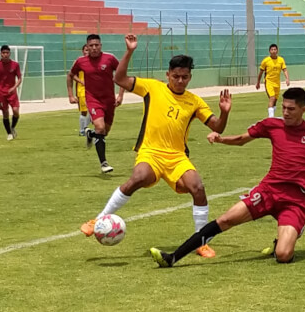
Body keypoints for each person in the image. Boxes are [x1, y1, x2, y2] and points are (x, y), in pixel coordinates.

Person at [149, 87, 305, 267]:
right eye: (283, 107)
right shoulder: (272, 125)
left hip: (295, 200)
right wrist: (221, 139)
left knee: (283, 255)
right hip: (269, 191)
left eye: (291, 109)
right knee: (225, 220)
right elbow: (242, 139)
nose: (286, 112)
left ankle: (286, 238)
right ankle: (172, 257)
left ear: (303, 109)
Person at [80, 34, 232, 259]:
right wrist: (130, 51)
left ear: (190, 77)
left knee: (198, 188)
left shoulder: (194, 101)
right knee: (138, 178)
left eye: (185, 77)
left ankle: (201, 241)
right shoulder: (152, 87)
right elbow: (119, 79)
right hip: (150, 152)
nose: (180, 81)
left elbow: (217, 126)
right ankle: (98, 219)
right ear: (168, 74)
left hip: (177, 157)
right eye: (176, 76)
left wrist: (224, 112)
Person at [68, 34, 125, 173]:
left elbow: (121, 75)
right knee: (100, 128)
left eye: (96, 45)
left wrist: (121, 95)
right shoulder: (81, 61)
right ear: (87, 47)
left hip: (109, 100)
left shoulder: (109, 59)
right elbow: (70, 75)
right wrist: (70, 94)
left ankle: (90, 134)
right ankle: (104, 163)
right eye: (91, 46)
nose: (94, 48)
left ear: (101, 45)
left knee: (104, 131)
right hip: (93, 99)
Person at [0, 45, 22, 141]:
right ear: (1, 54)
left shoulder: (15, 65)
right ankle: (9, 133)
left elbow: (20, 78)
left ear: (9, 53)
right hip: (0, 93)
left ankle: (12, 127)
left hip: (11, 92)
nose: (5, 55)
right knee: (5, 113)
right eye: (3, 53)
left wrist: (14, 87)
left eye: (7, 53)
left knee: (16, 111)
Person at [255, 44, 290, 118]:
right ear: (269, 51)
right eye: (272, 50)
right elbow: (261, 72)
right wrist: (258, 82)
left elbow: (284, 70)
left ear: (277, 50)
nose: (273, 51)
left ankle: (272, 116)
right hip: (269, 82)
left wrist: (287, 79)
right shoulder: (266, 61)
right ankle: (271, 117)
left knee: (275, 101)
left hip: (277, 83)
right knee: (272, 97)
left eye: (275, 49)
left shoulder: (281, 60)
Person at [66, 44, 92, 136]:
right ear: (83, 51)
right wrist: (81, 81)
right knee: (84, 111)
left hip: (93, 89)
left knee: (95, 109)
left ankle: (85, 128)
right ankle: (82, 130)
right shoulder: (79, 62)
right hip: (82, 90)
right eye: (86, 50)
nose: (87, 52)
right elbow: (71, 75)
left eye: (88, 50)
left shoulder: (95, 62)